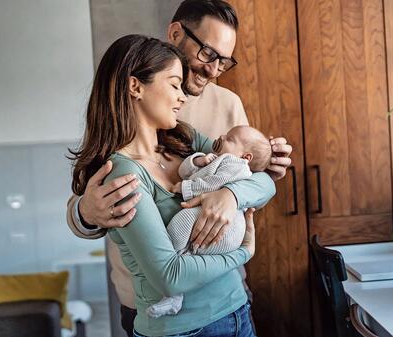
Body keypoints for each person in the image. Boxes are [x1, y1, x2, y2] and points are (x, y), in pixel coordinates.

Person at [66, 1, 292, 335]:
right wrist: (85, 211)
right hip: (167, 315)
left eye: (224, 61)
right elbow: (167, 273)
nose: (215, 69)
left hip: (232, 302)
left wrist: (231, 194)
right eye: (208, 54)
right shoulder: (122, 158)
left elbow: (257, 180)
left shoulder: (189, 130)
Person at [147, 125, 272, 318]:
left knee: (181, 222)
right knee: (187, 247)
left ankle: (174, 289)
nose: (221, 136)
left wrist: (186, 188)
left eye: (230, 139)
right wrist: (199, 160)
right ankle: (175, 295)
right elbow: (184, 170)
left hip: (228, 229)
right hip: (218, 224)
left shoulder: (235, 165)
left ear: (246, 157)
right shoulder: (217, 158)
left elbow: (213, 184)